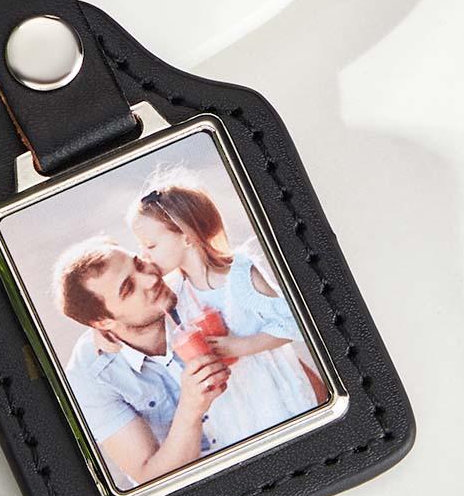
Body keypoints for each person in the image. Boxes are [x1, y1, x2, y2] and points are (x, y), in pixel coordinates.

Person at [128, 175, 326, 445]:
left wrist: (241, 346)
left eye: (151, 245)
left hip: (275, 391)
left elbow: (293, 323)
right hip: (234, 407)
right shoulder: (177, 292)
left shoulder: (239, 274)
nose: (145, 254)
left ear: (186, 236)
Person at [55, 239, 231, 486]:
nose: (150, 279)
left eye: (138, 264)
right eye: (128, 288)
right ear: (103, 322)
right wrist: (191, 408)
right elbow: (151, 478)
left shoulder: (195, 291)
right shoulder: (90, 378)